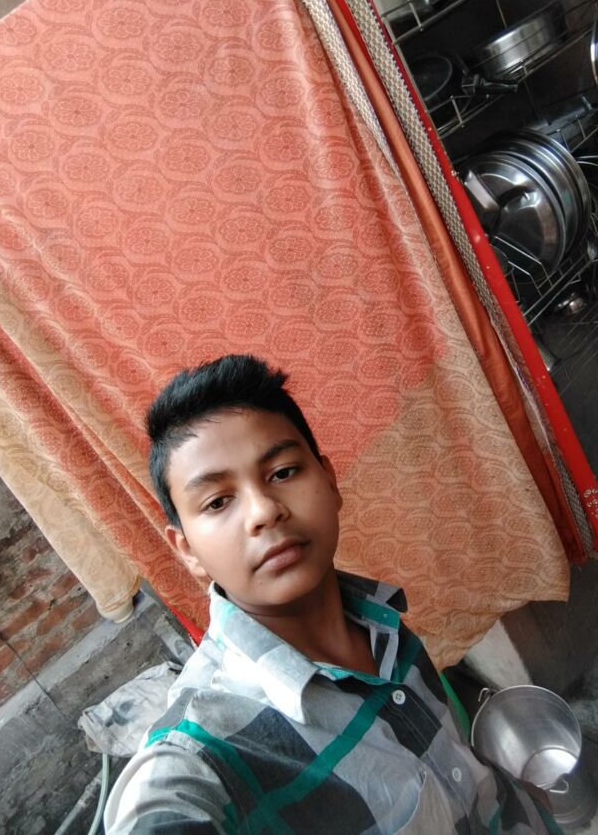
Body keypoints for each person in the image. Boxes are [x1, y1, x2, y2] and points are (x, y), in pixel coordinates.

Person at [104, 354, 559, 834]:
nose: (263, 511)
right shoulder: (205, 750)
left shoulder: (380, 620)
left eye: (282, 472)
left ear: (329, 479)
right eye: (218, 502)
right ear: (187, 550)